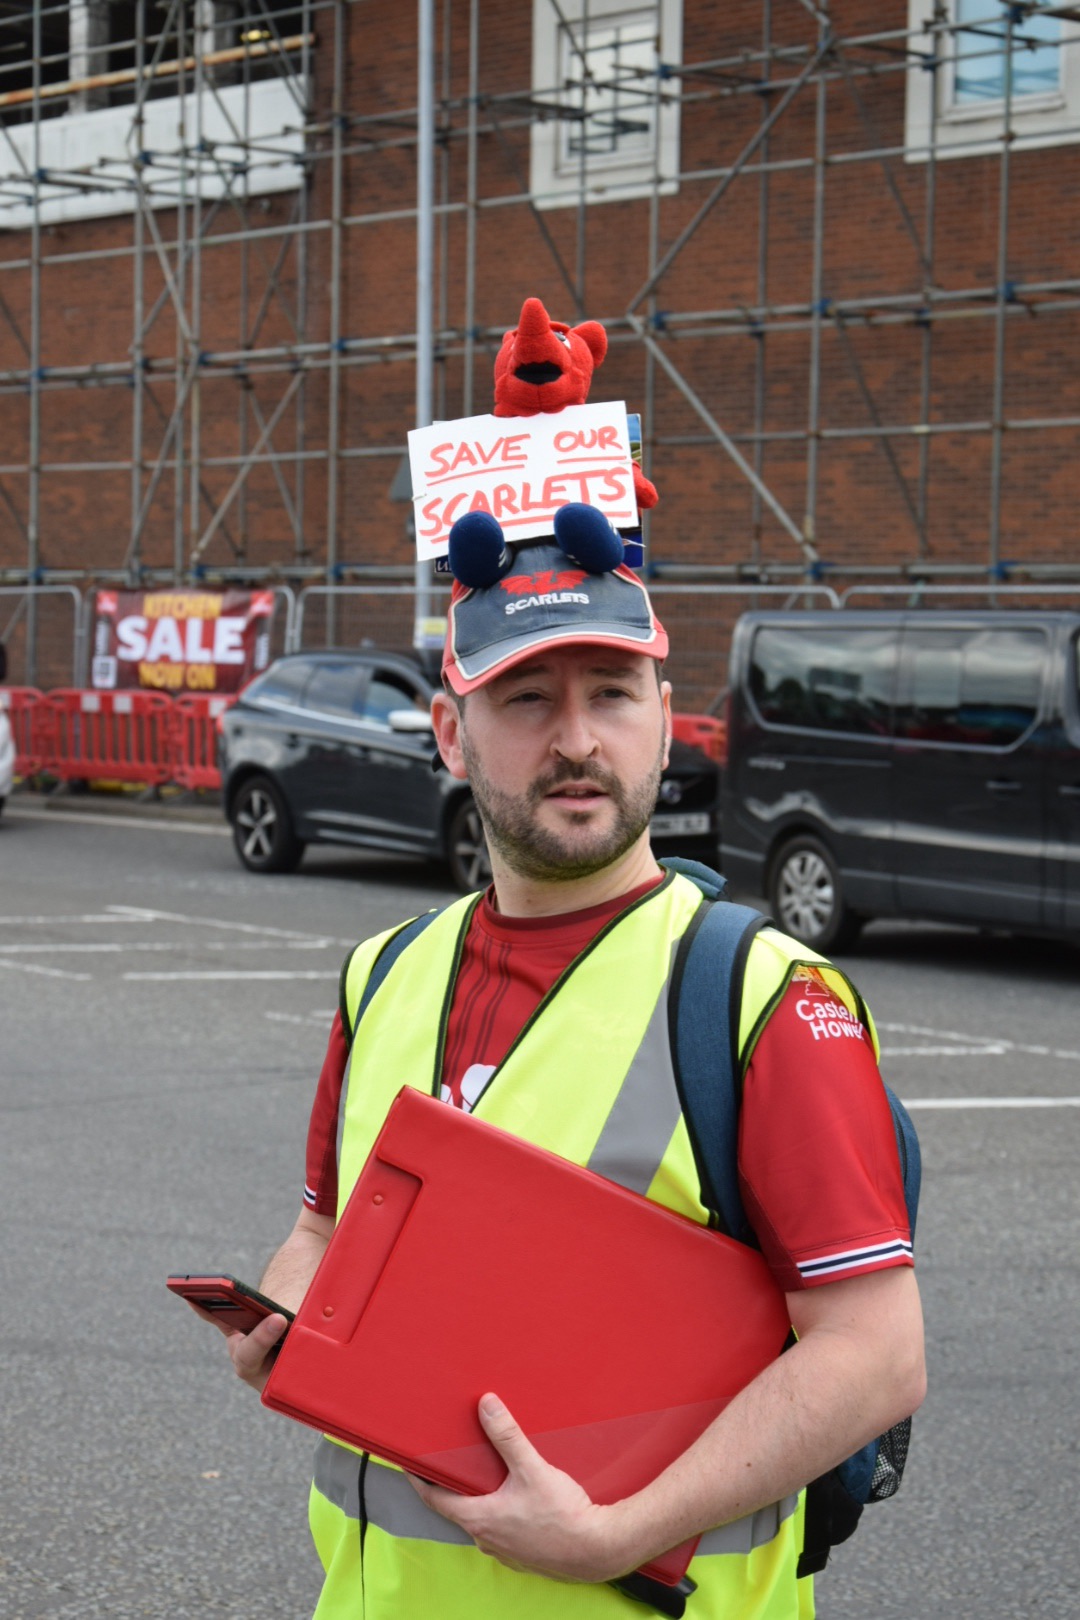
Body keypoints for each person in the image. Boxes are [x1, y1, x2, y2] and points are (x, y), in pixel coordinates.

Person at [209, 540, 925, 1620]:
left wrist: (618, 1536)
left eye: (614, 693)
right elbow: (320, 1235)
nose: (580, 739)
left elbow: (874, 1355)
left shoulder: (762, 997)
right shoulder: (385, 972)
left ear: (665, 720)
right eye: (529, 698)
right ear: (450, 733)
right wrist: (296, 1331)